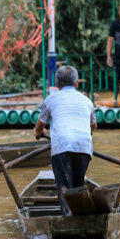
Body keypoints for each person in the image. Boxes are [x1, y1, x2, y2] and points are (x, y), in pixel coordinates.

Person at [33, 66, 97, 216]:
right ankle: (80, 220)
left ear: (57, 84)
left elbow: (38, 127)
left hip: (62, 145)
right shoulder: (87, 101)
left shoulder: (50, 99)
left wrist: (39, 133)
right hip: (84, 145)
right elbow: (93, 126)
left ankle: (68, 220)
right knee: (78, 185)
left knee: (64, 188)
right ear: (77, 84)